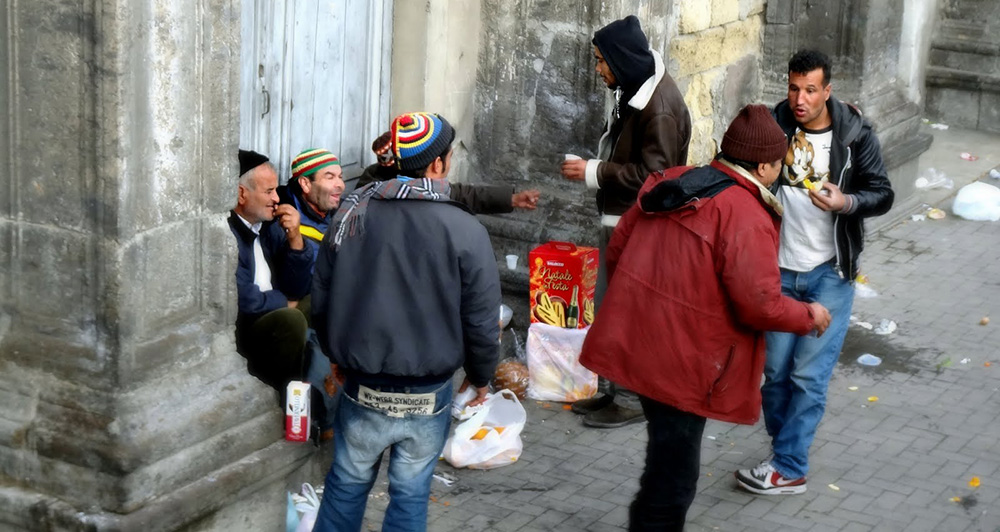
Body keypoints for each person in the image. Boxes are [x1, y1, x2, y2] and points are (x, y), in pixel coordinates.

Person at [579, 104, 833, 530]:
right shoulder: (745, 214)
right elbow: (759, 304)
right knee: (673, 479)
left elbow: (619, 251)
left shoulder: (673, 180)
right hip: (686, 364)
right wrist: (809, 315)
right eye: (779, 163)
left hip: (643, 345)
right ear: (765, 166)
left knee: (663, 460)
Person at [311, 112, 501, 532]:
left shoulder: (351, 213)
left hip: (364, 380)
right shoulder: (465, 228)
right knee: (411, 492)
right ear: (439, 164)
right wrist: (481, 375)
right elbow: (482, 318)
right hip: (428, 389)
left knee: (346, 483)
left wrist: (333, 352)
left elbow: (321, 293)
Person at [735, 50, 894, 495]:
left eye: (810, 90)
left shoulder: (856, 134)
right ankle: (784, 451)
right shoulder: (771, 124)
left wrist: (846, 202)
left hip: (831, 273)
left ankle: (789, 464)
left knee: (808, 376)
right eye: (793, 87)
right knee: (775, 374)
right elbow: (737, 166)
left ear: (828, 90)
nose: (800, 99)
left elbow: (882, 193)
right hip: (778, 273)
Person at [560, 14, 692, 428]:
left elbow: (656, 178)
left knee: (629, 310)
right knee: (612, 308)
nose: (598, 70)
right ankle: (613, 389)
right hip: (621, 220)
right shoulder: (634, 87)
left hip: (638, 225)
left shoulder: (660, 109)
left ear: (621, 61)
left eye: (602, 61)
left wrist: (593, 171)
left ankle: (632, 399)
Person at [227, 150, 312, 406]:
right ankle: (288, 401)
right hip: (247, 328)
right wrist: (284, 303)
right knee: (292, 319)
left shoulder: (268, 227)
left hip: (276, 312)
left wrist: (295, 238)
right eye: (269, 191)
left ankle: (319, 391)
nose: (277, 199)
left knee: (320, 299)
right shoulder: (227, 231)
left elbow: (296, 287)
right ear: (242, 194)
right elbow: (242, 298)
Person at [357, 131, 541, 213]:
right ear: (436, 165)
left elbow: (464, 194)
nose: (450, 164)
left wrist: (512, 198)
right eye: (450, 157)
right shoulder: (437, 217)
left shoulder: (368, 191)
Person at [278, 148, 346, 261]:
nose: (341, 185)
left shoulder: (347, 212)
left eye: (340, 177)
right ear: (305, 183)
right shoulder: (282, 221)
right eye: (330, 177)